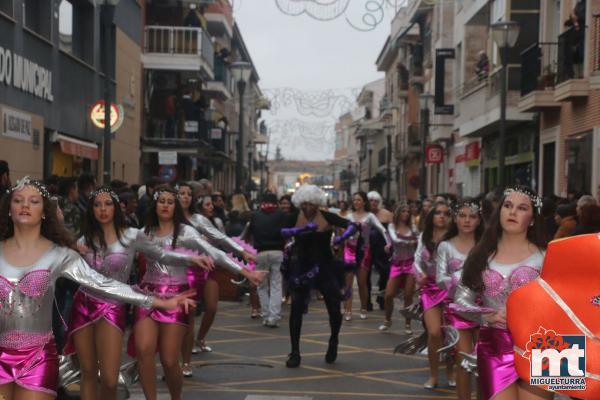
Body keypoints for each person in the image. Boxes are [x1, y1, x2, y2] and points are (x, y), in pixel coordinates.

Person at [0, 177, 195, 400]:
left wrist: (158, 300)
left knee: (109, 380)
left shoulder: (62, 254)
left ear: (44, 211)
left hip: (46, 352)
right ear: (8, 208)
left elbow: (106, 283)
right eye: (18, 200)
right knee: (88, 373)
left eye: (34, 201)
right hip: (74, 312)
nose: (25, 206)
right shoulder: (80, 242)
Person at [64, 187, 211, 400]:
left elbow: (162, 255)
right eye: (97, 205)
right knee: (87, 374)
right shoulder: (84, 240)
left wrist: (190, 259)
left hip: (113, 307)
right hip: (83, 305)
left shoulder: (132, 236)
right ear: (91, 210)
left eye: (108, 204)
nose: (103, 209)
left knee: (109, 379)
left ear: (116, 208)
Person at [131, 185, 262, 399]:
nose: (165, 205)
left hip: (177, 296)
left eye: (170, 202)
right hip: (148, 296)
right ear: (155, 205)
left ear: (176, 207)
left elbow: (215, 252)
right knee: (144, 351)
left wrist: (244, 270)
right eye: (161, 201)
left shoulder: (186, 232)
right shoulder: (143, 233)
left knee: (169, 360)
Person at [453, 186, 548, 400]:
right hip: (494, 343)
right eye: (508, 206)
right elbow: (459, 300)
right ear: (500, 212)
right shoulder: (480, 255)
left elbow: (566, 302)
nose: (513, 212)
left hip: (542, 343)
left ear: (532, 219)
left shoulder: (548, 257)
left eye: (522, 208)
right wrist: (485, 315)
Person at [177, 183, 258, 377]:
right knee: (188, 318)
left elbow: (220, 237)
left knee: (212, 307)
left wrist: (241, 251)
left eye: (189, 194)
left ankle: (201, 339)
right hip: (181, 271)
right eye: (181, 194)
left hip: (207, 268)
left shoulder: (199, 219)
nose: (185, 197)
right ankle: (184, 362)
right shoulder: (170, 220)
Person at [282, 185, 353, 368]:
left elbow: (352, 225)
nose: (308, 208)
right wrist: (292, 233)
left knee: (334, 309)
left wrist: (341, 237)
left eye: (312, 204)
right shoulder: (293, 217)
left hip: (325, 266)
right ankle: (295, 352)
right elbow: (279, 231)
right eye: (305, 204)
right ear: (300, 203)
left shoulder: (327, 216)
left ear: (318, 203)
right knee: (296, 308)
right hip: (301, 267)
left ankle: (334, 340)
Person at [436, 199, 484, 399]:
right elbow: (440, 280)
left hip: (485, 310)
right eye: (462, 216)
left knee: (483, 362)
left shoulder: (487, 247)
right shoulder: (445, 246)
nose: (467, 221)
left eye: (472, 217)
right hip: (456, 309)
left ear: (479, 221)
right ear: (455, 219)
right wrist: (463, 278)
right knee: (464, 361)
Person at [413, 201, 454, 389]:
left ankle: (452, 372)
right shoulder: (425, 236)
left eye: (446, 213)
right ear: (432, 216)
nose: (442, 216)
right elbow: (416, 260)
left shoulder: (456, 237)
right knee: (435, 332)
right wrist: (418, 274)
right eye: (438, 212)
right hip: (429, 288)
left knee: (452, 333)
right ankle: (433, 375)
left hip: (452, 288)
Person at [246, 193, 292, 327]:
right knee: (276, 285)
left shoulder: (255, 215)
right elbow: (286, 234)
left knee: (262, 286)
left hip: (260, 253)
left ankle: (265, 315)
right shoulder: (282, 215)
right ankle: (274, 316)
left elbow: (250, 234)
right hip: (277, 252)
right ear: (275, 202)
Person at [343, 191, 390, 321]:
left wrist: (388, 244)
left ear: (364, 202)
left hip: (364, 251)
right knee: (348, 283)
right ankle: (348, 309)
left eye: (358, 200)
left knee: (362, 283)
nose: (356, 202)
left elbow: (383, 230)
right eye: (354, 200)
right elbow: (340, 232)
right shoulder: (348, 216)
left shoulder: (369, 216)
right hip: (349, 251)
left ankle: (363, 307)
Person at [379, 203, 418, 334]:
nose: (406, 214)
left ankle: (408, 324)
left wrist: (408, 241)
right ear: (398, 213)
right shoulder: (392, 226)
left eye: (408, 212)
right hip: (396, 264)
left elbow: (419, 240)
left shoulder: (413, 227)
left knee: (408, 295)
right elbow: (396, 240)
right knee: (389, 295)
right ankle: (387, 320)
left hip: (411, 264)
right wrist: (393, 243)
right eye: (403, 211)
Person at [367, 191, 393, 310]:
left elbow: (392, 231)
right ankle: (367, 300)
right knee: (365, 274)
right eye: (371, 200)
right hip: (367, 247)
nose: (373, 203)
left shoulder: (386, 214)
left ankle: (382, 298)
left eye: (376, 201)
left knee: (385, 273)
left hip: (383, 248)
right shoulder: (364, 214)